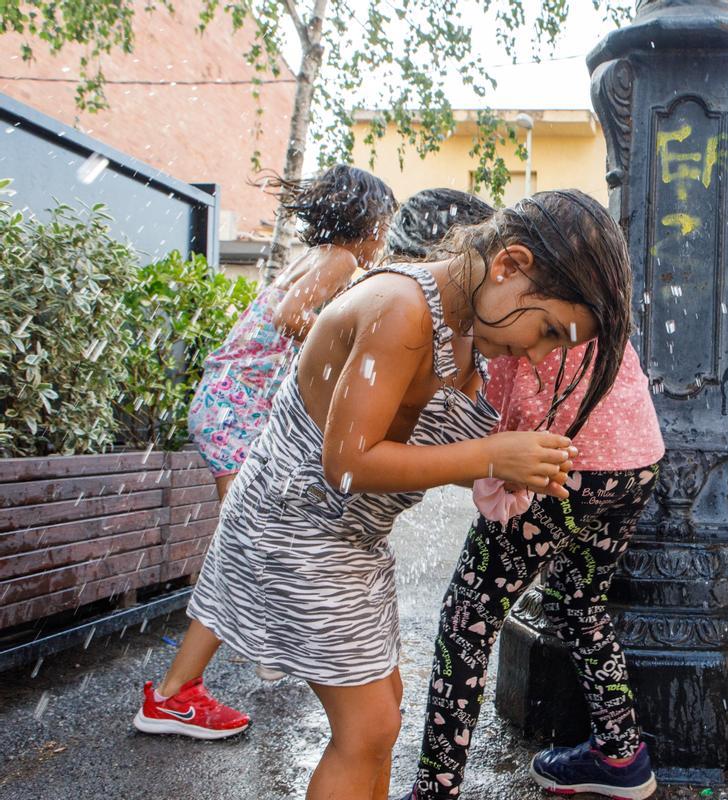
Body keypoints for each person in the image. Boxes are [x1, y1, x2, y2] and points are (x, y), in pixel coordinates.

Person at [137, 188, 634, 800]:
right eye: (549, 330)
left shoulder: (465, 324)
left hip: (350, 540)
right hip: (295, 527)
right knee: (368, 728)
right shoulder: (402, 308)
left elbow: (411, 449)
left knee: (384, 714)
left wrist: (507, 472)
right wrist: (487, 454)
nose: (537, 352)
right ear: (509, 264)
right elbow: (347, 464)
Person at [163, 165, 398, 721]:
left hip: (228, 402)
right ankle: (222, 671)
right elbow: (293, 316)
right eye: (381, 225)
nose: (383, 238)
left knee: (245, 537)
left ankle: (207, 674)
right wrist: (343, 347)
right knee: (245, 538)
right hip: (237, 411)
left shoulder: (315, 257)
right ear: (360, 223)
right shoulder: (339, 261)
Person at [405, 324, 664, 800]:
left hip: (561, 463)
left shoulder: (521, 284)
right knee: (579, 603)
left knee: (469, 617)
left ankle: (436, 790)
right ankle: (620, 754)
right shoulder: (589, 266)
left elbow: (499, 396)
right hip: (636, 456)